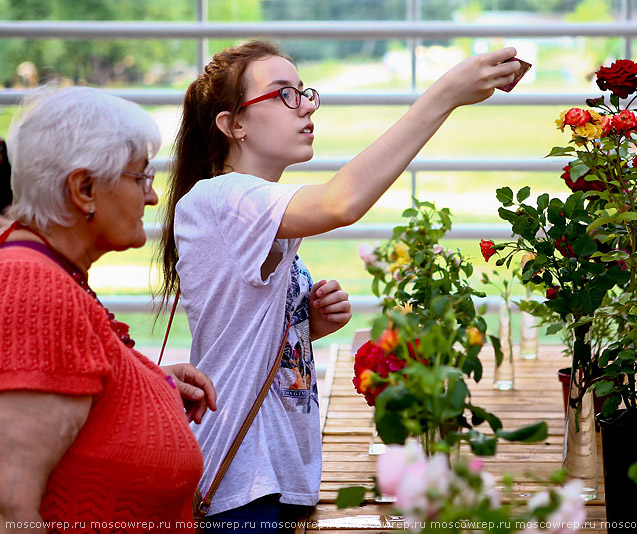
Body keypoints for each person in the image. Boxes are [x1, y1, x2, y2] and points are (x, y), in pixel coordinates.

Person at [158, 39, 523, 533]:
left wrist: (305, 327)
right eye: (283, 94)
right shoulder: (223, 198)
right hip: (243, 490)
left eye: (304, 91)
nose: (307, 104)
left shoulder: (260, 206)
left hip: (275, 480)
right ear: (233, 124)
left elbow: (239, 336)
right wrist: (445, 94)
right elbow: (341, 203)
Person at [0, 86, 217, 532]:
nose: (153, 197)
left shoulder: (49, 273)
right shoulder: (34, 287)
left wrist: (149, 386)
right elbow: (10, 507)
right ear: (84, 189)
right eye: (141, 177)